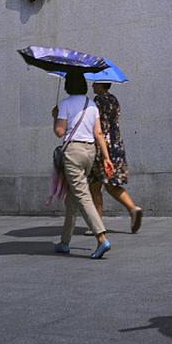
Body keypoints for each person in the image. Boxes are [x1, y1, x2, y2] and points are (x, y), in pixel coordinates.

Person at [52, 69, 115, 258]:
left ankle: (101, 238)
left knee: (82, 195)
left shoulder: (65, 104)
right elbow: (98, 134)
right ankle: (64, 241)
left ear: (67, 85)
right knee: (72, 197)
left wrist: (55, 116)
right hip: (90, 152)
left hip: (73, 153)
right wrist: (106, 158)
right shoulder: (91, 105)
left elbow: (59, 132)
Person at [86, 81, 143, 234]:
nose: (92, 86)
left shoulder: (97, 101)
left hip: (102, 146)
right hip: (116, 144)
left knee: (95, 185)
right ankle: (132, 208)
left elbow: (94, 125)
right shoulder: (114, 100)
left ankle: (96, 225)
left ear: (101, 85)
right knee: (111, 184)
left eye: (95, 84)